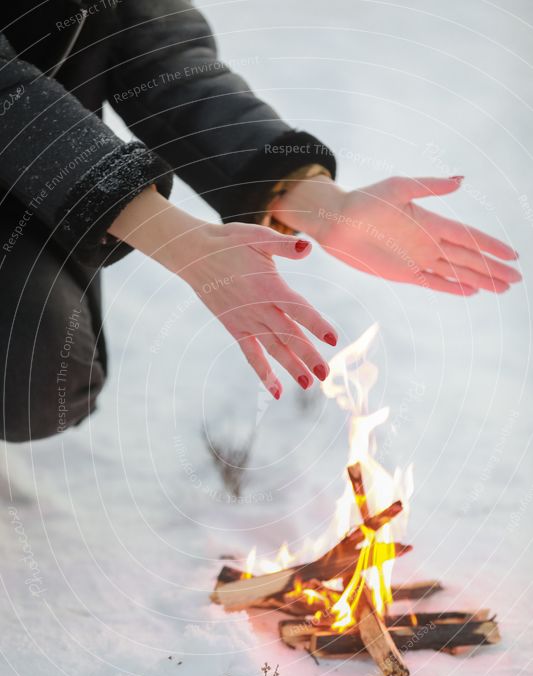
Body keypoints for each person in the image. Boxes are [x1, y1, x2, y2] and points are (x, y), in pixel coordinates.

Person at [0, 0, 520, 442]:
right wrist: (179, 240)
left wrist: (315, 199)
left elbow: (159, 54)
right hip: (26, 145)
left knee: (38, 379)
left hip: (27, 161)